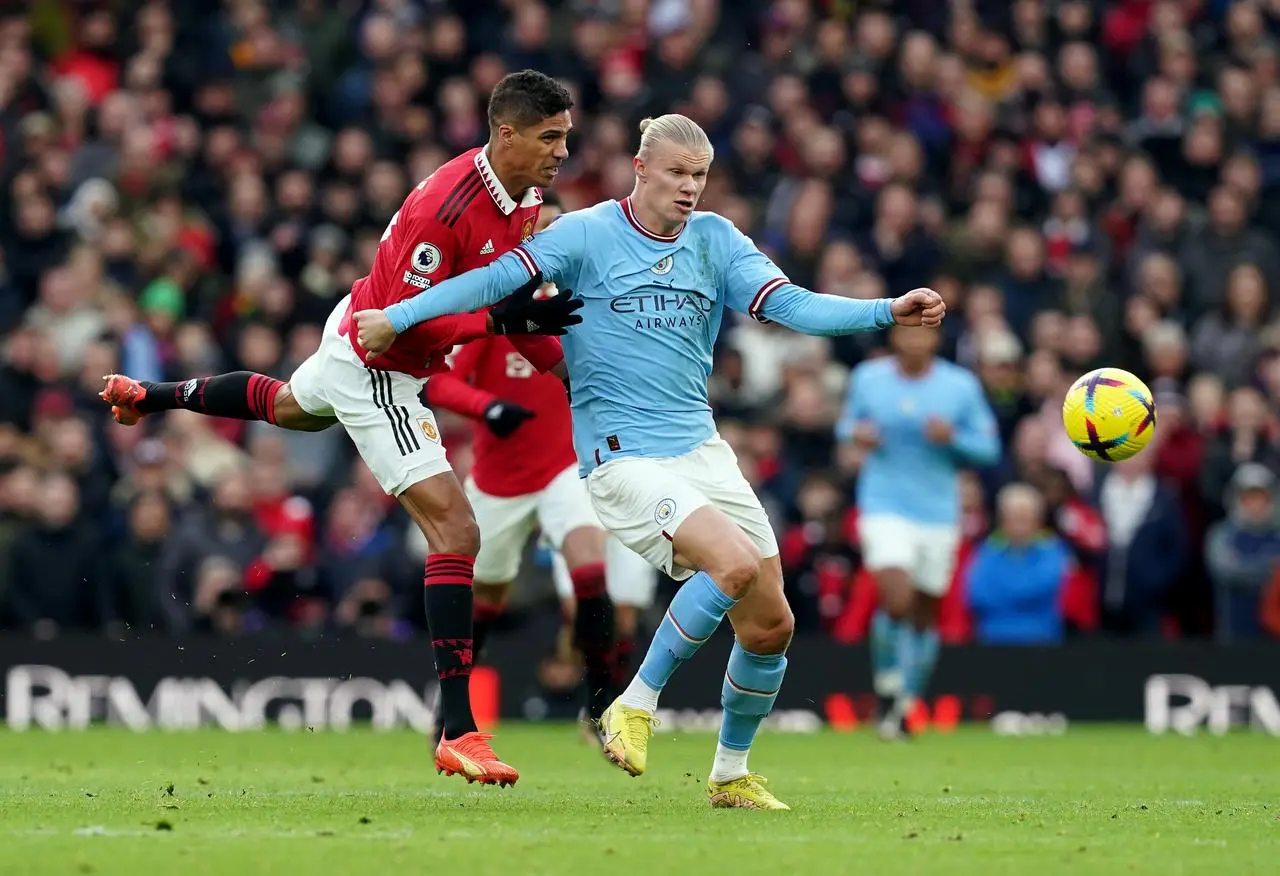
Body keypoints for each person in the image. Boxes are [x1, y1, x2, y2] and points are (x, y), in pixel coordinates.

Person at [352, 113, 946, 810]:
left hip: (701, 450)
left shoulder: (717, 240)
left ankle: (730, 774)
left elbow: (791, 304)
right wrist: (400, 313)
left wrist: (885, 312)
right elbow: (488, 281)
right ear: (641, 169)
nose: (691, 188)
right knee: (731, 565)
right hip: (619, 455)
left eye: (700, 176)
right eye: (677, 174)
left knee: (770, 623)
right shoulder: (583, 233)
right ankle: (630, 704)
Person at [96, 70, 587, 787]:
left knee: (292, 405)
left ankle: (151, 394)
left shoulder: (526, 200)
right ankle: (459, 728)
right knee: (457, 531)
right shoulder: (443, 210)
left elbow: (513, 310)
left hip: (350, 328)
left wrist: (570, 375)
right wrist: (501, 320)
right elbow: (406, 327)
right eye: (550, 137)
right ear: (505, 134)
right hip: (378, 364)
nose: (563, 151)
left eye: (566, 136)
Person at [422, 193, 625, 728]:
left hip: (566, 466)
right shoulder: (500, 308)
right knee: (484, 595)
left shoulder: (581, 304)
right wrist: (486, 405)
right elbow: (437, 380)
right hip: (498, 479)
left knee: (589, 565)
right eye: (543, 230)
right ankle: (452, 709)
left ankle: (603, 702)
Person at [837, 325, 1001, 740]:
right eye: (906, 333)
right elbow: (845, 425)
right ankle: (888, 686)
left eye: (922, 334)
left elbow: (989, 448)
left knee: (925, 613)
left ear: (934, 340)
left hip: (938, 512)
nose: (914, 341)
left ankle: (908, 702)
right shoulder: (868, 378)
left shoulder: (959, 385)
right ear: (894, 338)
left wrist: (954, 438)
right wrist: (857, 434)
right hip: (883, 503)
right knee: (896, 596)